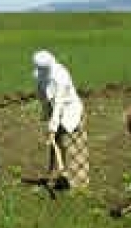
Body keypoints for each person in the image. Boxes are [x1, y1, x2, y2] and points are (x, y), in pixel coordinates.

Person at [32, 50, 89, 189]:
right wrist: (47, 116)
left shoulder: (60, 76)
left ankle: (79, 184)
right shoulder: (40, 75)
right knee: (56, 145)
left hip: (71, 113)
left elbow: (59, 104)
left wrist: (52, 128)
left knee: (74, 148)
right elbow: (42, 96)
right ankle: (56, 176)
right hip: (55, 113)